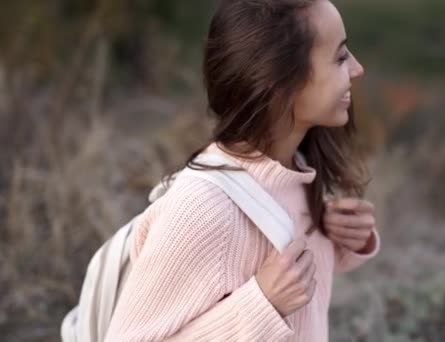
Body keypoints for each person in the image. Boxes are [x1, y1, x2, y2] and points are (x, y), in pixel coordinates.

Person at [104, 0, 380, 340]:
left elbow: (297, 286)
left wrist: (344, 239)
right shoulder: (202, 209)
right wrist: (261, 307)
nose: (357, 68)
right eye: (339, 57)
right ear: (280, 84)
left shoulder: (297, 170)